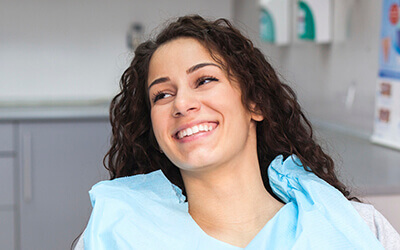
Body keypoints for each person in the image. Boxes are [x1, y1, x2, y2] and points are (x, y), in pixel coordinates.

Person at [74, 15, 400, 249]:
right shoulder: (113, 234)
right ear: (155, 132)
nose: (182, 103)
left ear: (255, 103)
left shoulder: (356, 227)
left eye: (204, 80)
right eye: (162, 95)